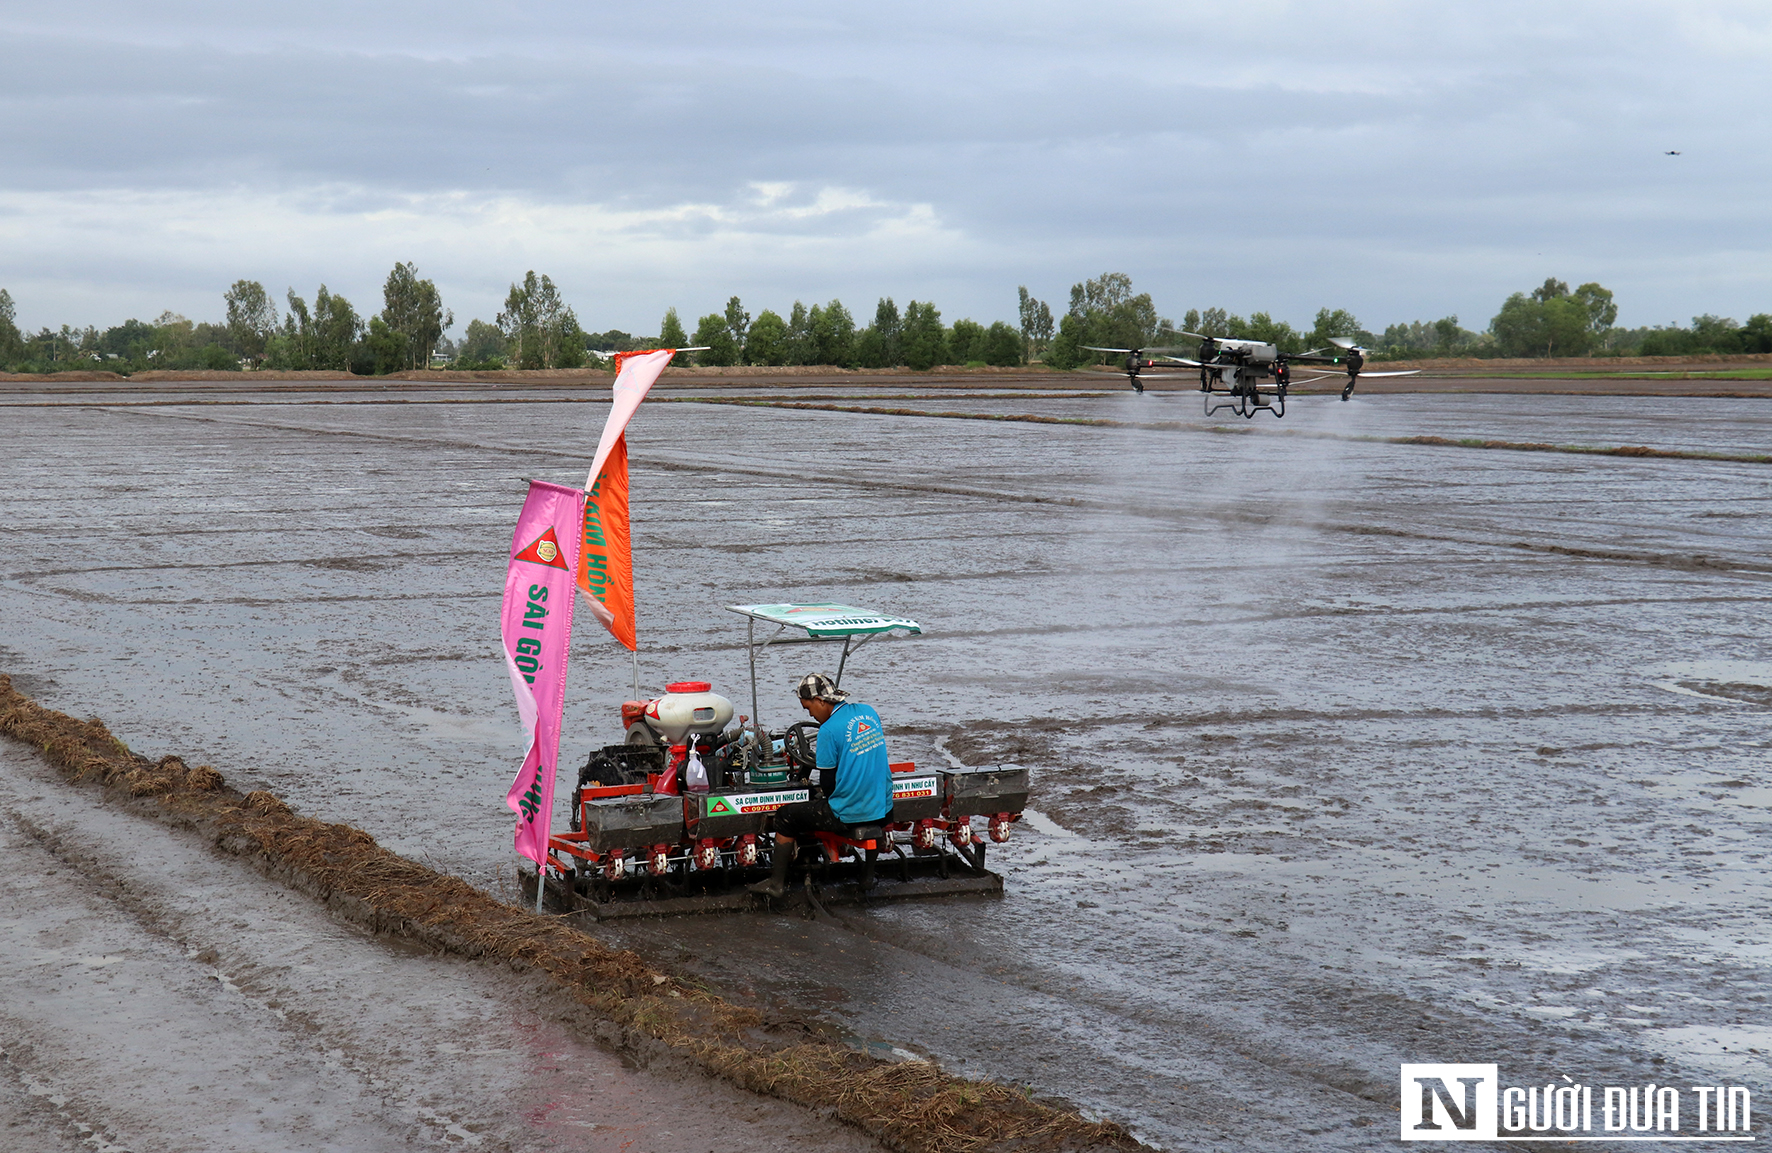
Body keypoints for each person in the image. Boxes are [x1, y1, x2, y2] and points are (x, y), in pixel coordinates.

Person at [748, 672, 893, 898]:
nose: (811, 715)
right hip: (884, 809)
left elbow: (827, 783)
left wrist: (820, 799)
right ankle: (867, 877)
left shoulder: (828, 730)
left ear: (821, 701)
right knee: (865, 806)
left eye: (809, 709)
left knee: (786, 816)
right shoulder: (869, 712)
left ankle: (776, 884)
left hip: (849, 814)